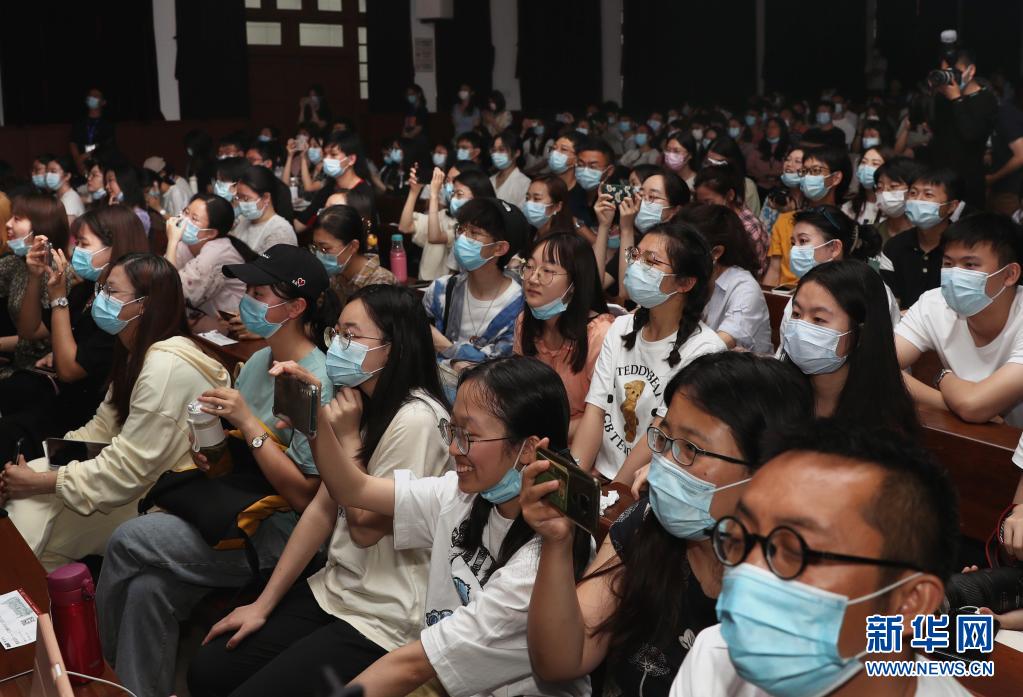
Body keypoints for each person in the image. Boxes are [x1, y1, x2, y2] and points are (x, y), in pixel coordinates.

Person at [187, 284, 452, 697]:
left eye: (351, 335)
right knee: (208, 671)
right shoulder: (359, 403)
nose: (338, 346)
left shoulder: (416, 419)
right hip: (336, 586)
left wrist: (342, 438)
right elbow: (321, 509)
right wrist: (263, 604)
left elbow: (364, 527)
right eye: (337, 334)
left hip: (385, 611)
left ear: (394, 347)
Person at [96, 245, 336, 697]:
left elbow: (307, 498)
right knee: (148, 589)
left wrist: (249, 423)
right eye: (248, 291)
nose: (247, 302)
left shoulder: (315, 382)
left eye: (259, 294)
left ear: (296, 307)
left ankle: (99, 676)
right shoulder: (260, 361)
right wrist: (212, 452)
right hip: (232, 514)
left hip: (278, 536)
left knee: (127, 539)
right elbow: (237, 461)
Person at [276, 356, 591, 697]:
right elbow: (354, 489)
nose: (454, 448)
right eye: (453, 431)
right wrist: (314, 421)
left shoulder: (540, 558)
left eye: (468, 436)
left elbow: (413, 666)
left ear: (527, 448)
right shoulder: (461, 496)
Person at [523, 352, 813, 697]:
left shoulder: (804, 591)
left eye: (690, 449)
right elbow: (562, 659)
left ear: (766, 471)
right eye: (664, 438)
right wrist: (557, 543)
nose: (665, 463)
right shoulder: (647, 523)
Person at [673, 421, 968, 697]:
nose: (748, 570)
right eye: (740, 540)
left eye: (795, 551)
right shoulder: (714, 660)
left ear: (910, 602)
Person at [0, 254, 231, 569]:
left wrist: (42, 481)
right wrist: (40, 465)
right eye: (101, 290)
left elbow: (129, 469)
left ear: (144, 305)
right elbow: (102, 429)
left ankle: (27, 590)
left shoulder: (165, 366)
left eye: (111, 291)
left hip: (159, 495)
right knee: (27, 501)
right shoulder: (136, 351)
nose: (100, 299)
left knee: (35, 519)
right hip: (132, 478)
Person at [574, 220, 726, 482]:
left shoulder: (705, 350)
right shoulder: (620, 327)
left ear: (685, 283)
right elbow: (595, 411)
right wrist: (573, 480)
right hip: (600, 477)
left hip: (645, 484)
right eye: (636, 255)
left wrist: (615, 493)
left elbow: (659, 433)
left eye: (651, 261)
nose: (636, 266)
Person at [0, 207, 148, 463]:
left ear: (114, 248)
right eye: (75, 242)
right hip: (61, 398)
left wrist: (58, 300)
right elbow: (30, 330)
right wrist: (34, 277)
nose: (75, 250)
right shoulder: (89, 290)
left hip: (86, 416)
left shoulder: (119, 311)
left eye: (83, 243)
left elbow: (69, 370)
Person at [896, 213, 1023, 427]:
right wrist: (947, 403)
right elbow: (875, 365)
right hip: (965, 438)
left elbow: (973, 405)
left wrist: (943, 377)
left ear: (1010, 274)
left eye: (970, 265)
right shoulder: (933, 304)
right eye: (948, 263)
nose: (955, 274)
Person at [782, 260, 918, 435]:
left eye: (818, 319)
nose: (801, 328)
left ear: (861, 332)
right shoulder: (776, 396)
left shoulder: (885, 422)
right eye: (796, 314)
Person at [513, 233, 613, 440]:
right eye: (529, 267)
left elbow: (605, 417)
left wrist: (542, 436)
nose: (532, 278)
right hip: (534, 438)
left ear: (575, 284)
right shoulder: (525, 322)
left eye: (547, 271)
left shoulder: (600, 335)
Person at [423, 199, 527, 390]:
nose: (462, 238)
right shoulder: (442, 289)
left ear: (499, 248)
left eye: (474, 233)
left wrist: (444, 346)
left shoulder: (519, 307)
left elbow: (495, 368)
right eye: (461, 229)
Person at [783, 205, 898, 325]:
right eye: (793, 243)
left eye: (803, 241)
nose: (795, 249)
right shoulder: (801, 294)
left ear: (834, 248)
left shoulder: (871, 291)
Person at [678, 204, 771, 353]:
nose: (677, 255)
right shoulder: (691, 277)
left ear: (716, 252)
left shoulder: (744, 287)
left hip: (735, 367)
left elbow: (719, 344)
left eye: (684, 248)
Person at [0, 194, 70, 373]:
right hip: (17, 363)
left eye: (17, 219)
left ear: (40, 227)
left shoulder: (56, 271)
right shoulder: (16, 262)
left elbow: (33, 334)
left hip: (41, 370)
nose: (8, 224)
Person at [764, 146, 850, 287]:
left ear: (835, 178)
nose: (808, 177)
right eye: (804, 171)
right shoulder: (785, 220)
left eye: (815, 171)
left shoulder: (844, 224)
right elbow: (774, 271)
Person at [879, 168, 962, 309]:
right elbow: (890, 302)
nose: (918, 200)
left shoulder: (962, 246)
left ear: (952, 206)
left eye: (928, 195)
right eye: (913, 193)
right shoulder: (894, 246)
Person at [928, 44, 998, 208]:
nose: (949, 77)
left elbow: (971, 135)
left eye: (954, 72)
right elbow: (937, 132)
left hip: (969, 182)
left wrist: (957, 100)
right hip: (942, 180)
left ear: (970, 71)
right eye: (945, 72)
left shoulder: (986, 99)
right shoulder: (942, 98)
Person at [163, 193, 246, 331]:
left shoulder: (217, 253)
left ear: (210, 233)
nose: (184, 220)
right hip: (199, 321)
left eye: (194, 219)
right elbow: (160, 281)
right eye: (186, 212)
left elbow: (172, 293)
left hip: (231, 328)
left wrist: (172, 242)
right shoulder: (186, 244)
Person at [611, 169, 690, 297]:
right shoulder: (639, 240)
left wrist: (627, 229)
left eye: (652, 197)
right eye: (641, 195)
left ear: (675, 209)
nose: (643, 202)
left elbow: (627, 292)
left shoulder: (679, 246)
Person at [312, 204, 396, 305]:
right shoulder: (333, 277)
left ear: (353, 246)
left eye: (325, 249)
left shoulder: (381, 282)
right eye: (316, 247)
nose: (319, 254)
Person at [694, 166, 769, 278]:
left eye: (709, 202)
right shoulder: (712, 218)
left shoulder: (748, 228)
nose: (704, 209)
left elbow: (753, 272)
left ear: (730, 195)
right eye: (700, 203)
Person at [295, 131, 376, 230]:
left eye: (333, 155)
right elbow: (302, 222)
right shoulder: (329, 188)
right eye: (325, 154)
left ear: (351, 159)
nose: (326, 159)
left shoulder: (363, 193)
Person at [230, 165, 298, 256]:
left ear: (266, 197)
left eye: (246, 198)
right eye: (238, 197)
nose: (240, 203)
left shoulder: (281, 231)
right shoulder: (242, 220)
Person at [986, 81, 1023, 215]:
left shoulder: (1006, 115)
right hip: (1001, 188)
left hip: (1010, 189)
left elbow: (1021, 156)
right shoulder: (998, 116)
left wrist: (993, 178)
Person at [873, 157, 925, 244]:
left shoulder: (926, 237)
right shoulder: (873, 234)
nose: (884, 193)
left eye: (893, 186)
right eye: (879, 187)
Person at [758, 146, 804, 238]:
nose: (789, 164)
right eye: (787, 159)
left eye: (797, 161)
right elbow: (762, 234)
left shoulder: (812, 203)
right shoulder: (774, 198)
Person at [244, 142, 295, 223]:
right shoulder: (244, 184)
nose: (247, 164)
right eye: (246, 160)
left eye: (252, 160)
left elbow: (285, 221)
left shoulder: (280, 189)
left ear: (267, 163)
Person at [69, 88, 115, 176]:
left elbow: (105, 145)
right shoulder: (79, 122)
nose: (92, 97)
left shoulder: (108, 124)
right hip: (79, 163)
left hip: (99, 163)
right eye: (90, 95)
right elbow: (73, 142)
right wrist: (78, 160)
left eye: (96, 96)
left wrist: (83, 158)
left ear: (103, 102)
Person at [843, 145, 892, 225]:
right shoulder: (849, 206)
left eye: (875, 164)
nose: (866, 167)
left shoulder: (894, 208)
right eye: (863, 162)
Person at [744, 117, 789, 193]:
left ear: (782, 129)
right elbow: (749, 167)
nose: (770, 129)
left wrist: (770, 174)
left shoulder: (789, 148)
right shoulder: (757, 147)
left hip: (781, 187)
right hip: (758, 186)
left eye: (774, 127)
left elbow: (789, 169)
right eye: (768, 127)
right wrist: (760, 176)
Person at [490, 131, 531, 210]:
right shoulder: (491, 179)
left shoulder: (525, 183)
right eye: (494, 150)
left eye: (501, 150)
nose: (496, 154)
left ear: (516, 153)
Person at [523, 175, 573, 239]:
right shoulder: (528, 233)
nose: (529, 204)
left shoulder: (563, 241)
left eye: (537, 199)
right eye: (527, 198)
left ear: (558, 206)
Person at [43, 155, 85, 224]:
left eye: (53, 171)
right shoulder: (57, 196)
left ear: (67, 176)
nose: (48, 175)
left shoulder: (70, 199)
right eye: (47, 171)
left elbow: (67, 227)